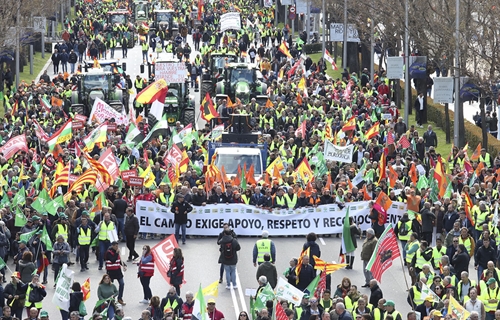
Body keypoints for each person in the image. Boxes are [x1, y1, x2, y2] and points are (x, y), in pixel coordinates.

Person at [104, 241, 126, 306]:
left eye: (117, 246)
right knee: (110, 286)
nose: (117, 247)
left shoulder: (117, 252)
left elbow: (119, 260)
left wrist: (124, 265)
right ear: (112, 246)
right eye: (116, 246)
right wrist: (116, 253)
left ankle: (120, 298)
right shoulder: (108, 252)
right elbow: (113, 260)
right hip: (111, 272)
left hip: (118, 271)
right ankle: (111, 299)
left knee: (122, 284)